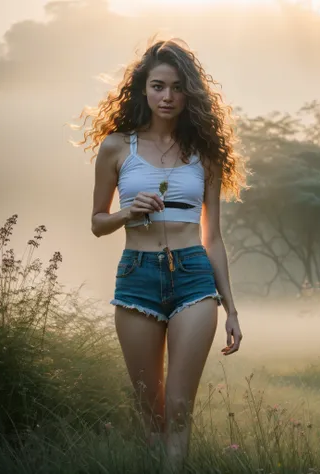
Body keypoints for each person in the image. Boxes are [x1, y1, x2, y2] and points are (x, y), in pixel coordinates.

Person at [75, 38, 247, 472]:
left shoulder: (205, 156)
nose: (166, 96)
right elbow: (97, 222)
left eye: (175, 87)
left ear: (189, 93)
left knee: (178, 406)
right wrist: (128, 212)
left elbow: (215, 238)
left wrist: (230, 308)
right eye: (157, 86)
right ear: (143, 90)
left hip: (193, 276)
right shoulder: (118, 147)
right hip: (137, 275)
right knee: (149, 410)